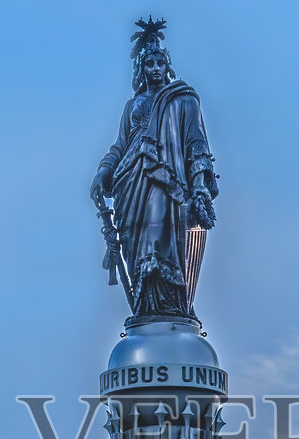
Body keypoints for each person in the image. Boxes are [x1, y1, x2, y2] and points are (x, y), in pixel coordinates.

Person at [91, 18, 218, 318]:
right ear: (141, 69)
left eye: (161, 62)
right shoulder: (130, 106)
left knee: (161, 237)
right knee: (137, 243)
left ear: (167, 65)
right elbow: (120, 145)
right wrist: (103, 171)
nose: (156, 69)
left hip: (164, 179)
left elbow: (196, 143)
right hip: (129, 182)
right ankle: (145, 307)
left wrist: (199, 185)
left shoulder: (184, 99)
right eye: (150, 63)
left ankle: (172, 307)